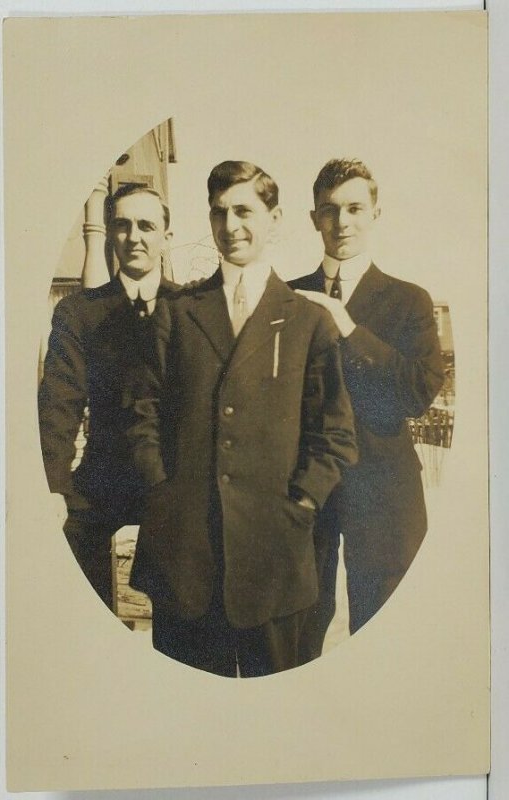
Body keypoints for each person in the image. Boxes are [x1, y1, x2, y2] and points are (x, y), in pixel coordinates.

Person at [128, 161, 358, 677]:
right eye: (219, 212)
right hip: (186, 556)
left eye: (245, 211)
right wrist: (162, 487)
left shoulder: (307, 320)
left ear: (274, 219)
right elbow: (141, 412)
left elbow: (337, 435)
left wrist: (301, 503)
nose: (231, 226)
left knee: (276, 722)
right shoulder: (178, 312)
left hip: (275, 559)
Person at [289, 158, 444, 659]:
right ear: (313, 217)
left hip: (384, 491)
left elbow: (416, 392)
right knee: (297, 632)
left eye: (355, 208)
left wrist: (348, 328)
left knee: (387, 641)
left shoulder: (410, 301)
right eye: (330, 210)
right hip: (307, 487)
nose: (343, 222)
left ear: (376, 212)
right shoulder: (290, 299)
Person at [38, 184, 179, 608]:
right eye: (123, 225)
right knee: (70, 543)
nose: (134, 236)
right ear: (111, 233)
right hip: (106, 471)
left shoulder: (191, 305)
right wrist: (53, 485)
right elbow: (60, 403)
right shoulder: (80, 312)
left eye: (147, 226)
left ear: (165, 237)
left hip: (172, 475)